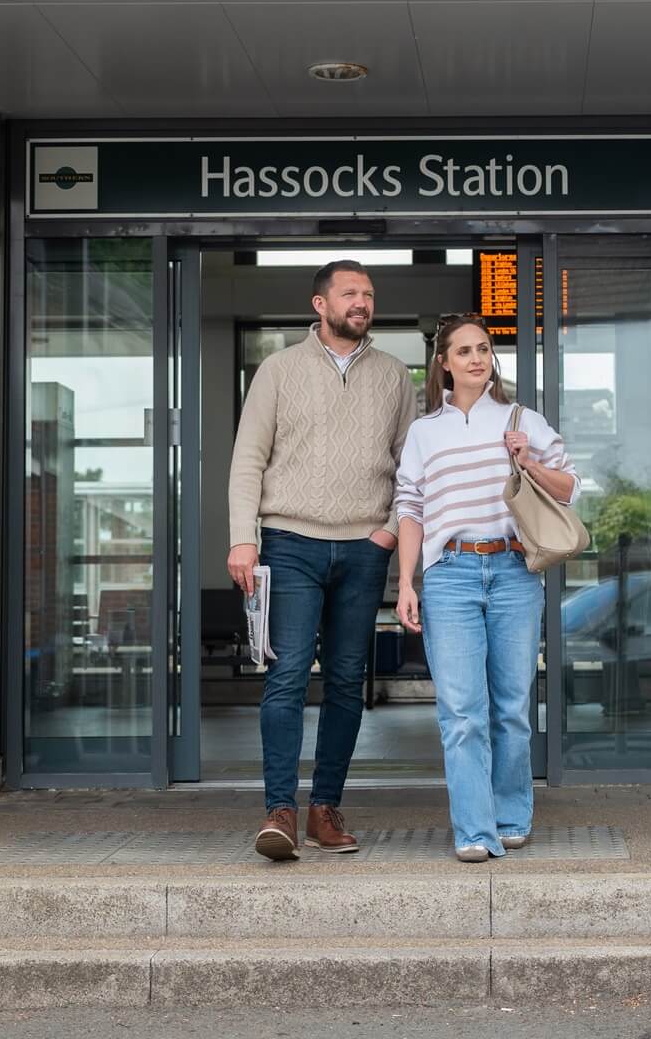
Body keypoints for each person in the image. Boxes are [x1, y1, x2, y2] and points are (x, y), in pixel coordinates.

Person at [228, 259, 418, 861]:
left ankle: (324, 808)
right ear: (320, 304)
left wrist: (388, 533)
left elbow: (411, 467)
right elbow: (247, 460)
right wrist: (242, 537)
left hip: (365, 549)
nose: (362, 302)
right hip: (289, 543)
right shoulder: (278, 370)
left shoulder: (394, 376)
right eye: (350, 293)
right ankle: (279, 810)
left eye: (368, 293)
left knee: (344, 682)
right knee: (285, 677)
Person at [393, 314, 578, 862]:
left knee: (512, 708)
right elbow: (410, 507)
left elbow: (569, 489)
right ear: (444, 363)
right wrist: (407, 581)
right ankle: (474, 830)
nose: (477, 358)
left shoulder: (523, 420)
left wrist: (526, 460)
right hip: (448, 575)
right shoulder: (425, 432)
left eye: (484, 348)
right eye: (464, 351)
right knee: (461, 709)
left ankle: (511, 815)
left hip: (513, 573)